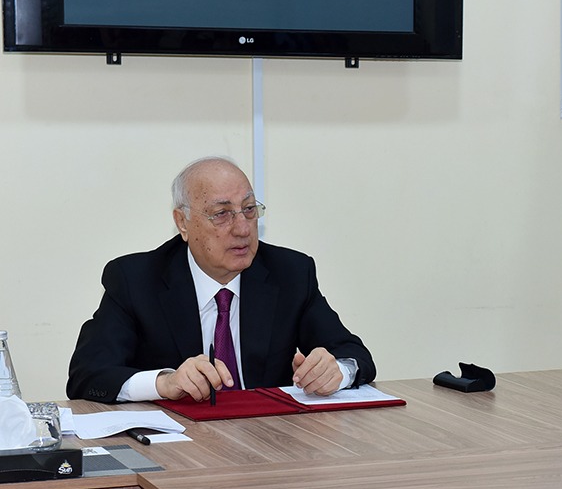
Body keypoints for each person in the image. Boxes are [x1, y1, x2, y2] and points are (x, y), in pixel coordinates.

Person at [67, 156, 375, 403]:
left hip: (268, 441)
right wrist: (164, 383)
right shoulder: (136, 279)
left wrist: (338, 371)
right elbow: (87, 376)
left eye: (249, 210)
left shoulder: (290, 273)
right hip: (179, 447)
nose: (242, 228)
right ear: (182, 222)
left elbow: (355, 355)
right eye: (222, 214)